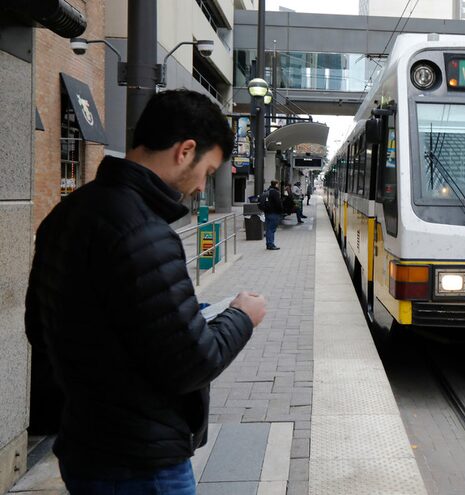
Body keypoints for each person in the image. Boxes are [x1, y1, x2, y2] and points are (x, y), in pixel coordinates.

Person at [25, 89, 267, 495]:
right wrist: (242, 315)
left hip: (84, 440)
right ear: (185, 151)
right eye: (207, 171)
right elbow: (192, 363)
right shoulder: (145, 232)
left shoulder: (68, 212)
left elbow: (40, 326)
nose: (199, 187)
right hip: (141, 459)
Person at [263, 180, 284, 250]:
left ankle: (268, 244)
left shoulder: (267, 191)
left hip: (267, 213)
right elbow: (278, 203)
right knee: (272, 229)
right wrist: (281, 211)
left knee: (268, 229)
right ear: (276, 185)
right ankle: (271, 244)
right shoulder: (275, 192)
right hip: (274, 213)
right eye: (278, 184)